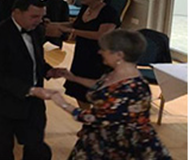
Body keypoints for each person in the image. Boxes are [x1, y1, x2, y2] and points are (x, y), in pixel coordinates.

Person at [48, 30, 172, 160]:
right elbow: (101, 86)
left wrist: (59, 100)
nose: (99, 52)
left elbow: (92, 117)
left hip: (119, 147)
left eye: (104, 50)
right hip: (101, 138)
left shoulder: (130, 90)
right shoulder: (116, 74)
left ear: (119, 55)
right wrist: (74, 78)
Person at [0, 0, 58, 160]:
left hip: (32, 102)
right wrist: (29, 90)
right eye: (34, 16)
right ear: (16, 13)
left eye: (41, 17)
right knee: (1, 152)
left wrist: (48, 70)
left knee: (37, 148)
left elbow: (33, 59)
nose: (39, 21)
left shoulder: (36, 30)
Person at [52, 0, 120, 108]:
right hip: (82, 54)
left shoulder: (109, 13)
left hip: (100, 57)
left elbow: (101, 36)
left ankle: (97, 118)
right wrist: (55, 24)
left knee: (97, 94)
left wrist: (73, 32)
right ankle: (86, 117)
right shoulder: (85, 8)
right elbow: (76, 24)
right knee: (79, 92)